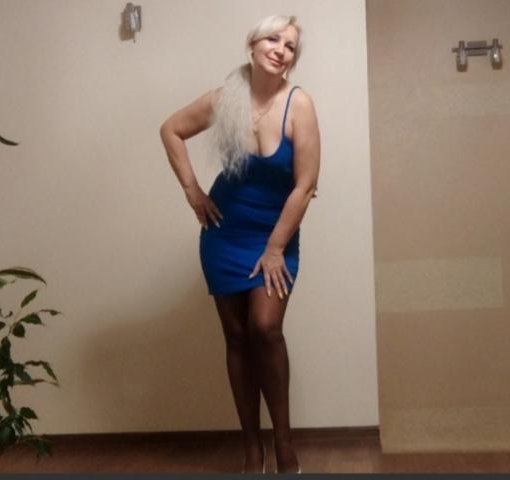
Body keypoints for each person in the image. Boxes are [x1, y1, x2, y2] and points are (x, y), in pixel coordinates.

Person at [160, 15, 320, 474]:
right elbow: (170, 129)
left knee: (264, 328)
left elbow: (305, 185)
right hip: (224, 234)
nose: (281, 49)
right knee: (235, 336)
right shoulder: (224, 98)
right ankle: (252, 447)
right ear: (252, 45)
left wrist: (275, 248)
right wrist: (193, 191)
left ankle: (283, 443)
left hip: (275, 235)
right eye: (273, 39)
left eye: (290, 46)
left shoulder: (299, 104)